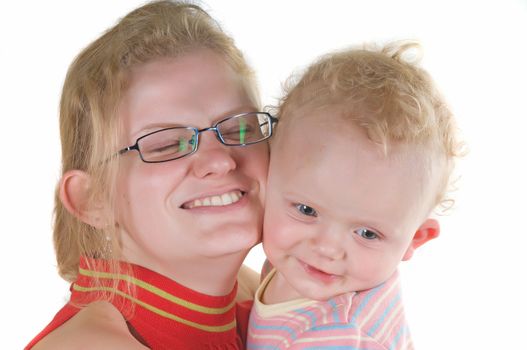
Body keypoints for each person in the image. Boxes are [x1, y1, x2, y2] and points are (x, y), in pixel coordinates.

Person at [25, 1, 274, 349]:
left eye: (240, 129)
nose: (220, 160)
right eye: (167, 144)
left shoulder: (264, 294)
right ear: (92, 199)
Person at [247, 41, 462, 349]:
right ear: (268, 174)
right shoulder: (294, 268)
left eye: (367, 233)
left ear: (415, 238)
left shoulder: (335, 335)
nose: (327, 248)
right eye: (307, 210)